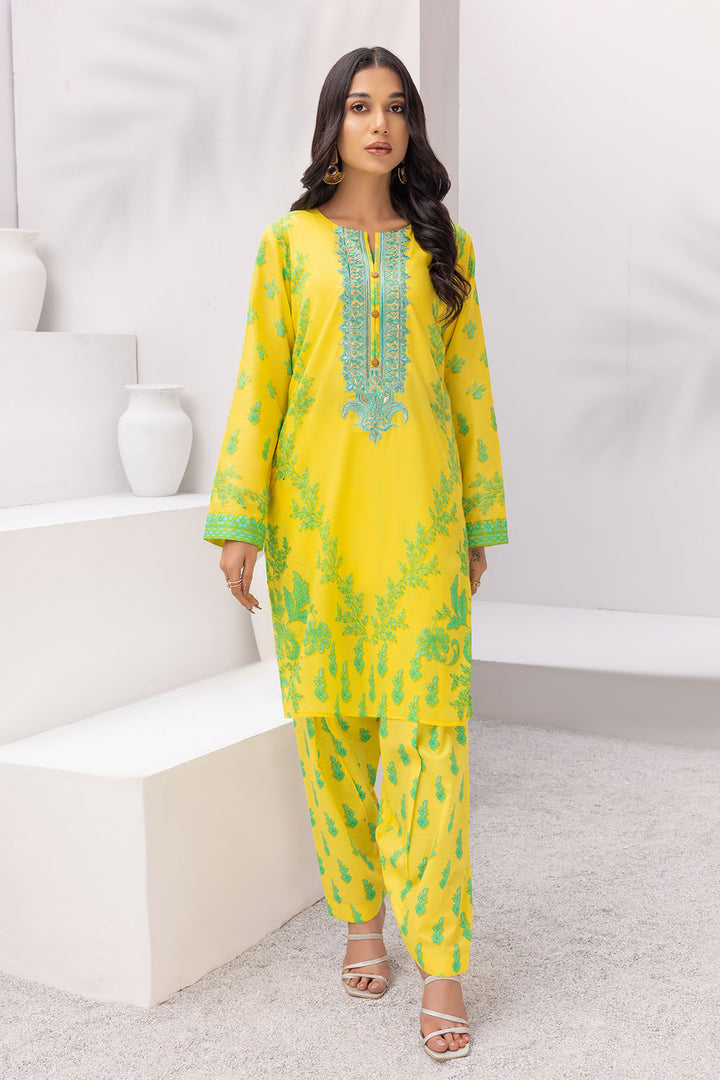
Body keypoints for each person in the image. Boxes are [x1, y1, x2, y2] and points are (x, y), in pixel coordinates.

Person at [203, 45, 509, 1062]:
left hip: (419, 528)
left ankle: (444, 962)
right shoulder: (287, 245)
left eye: (397, 107)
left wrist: (477, 522)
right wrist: (242, 521)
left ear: (412, 126)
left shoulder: (443, 246)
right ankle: (361, 918)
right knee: (334, 735)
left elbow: (469, 393)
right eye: (361, 106)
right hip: (317, 529)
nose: (380, 124)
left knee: (433, 744)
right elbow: (261, 383)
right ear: (333, 123)